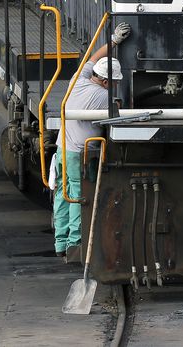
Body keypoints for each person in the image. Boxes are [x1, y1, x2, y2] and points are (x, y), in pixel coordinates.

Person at [54, 21, 132, 263]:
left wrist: (113, 41)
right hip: (79, 154)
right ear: (107, 82)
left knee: (62, 194)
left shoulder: (79, 79)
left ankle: (60, 241)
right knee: (78, 196)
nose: (116, 86)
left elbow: (92, 56)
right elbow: (119, 113)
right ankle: (75, 243)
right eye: (115, 82)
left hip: (62, 148)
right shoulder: (102, 97)